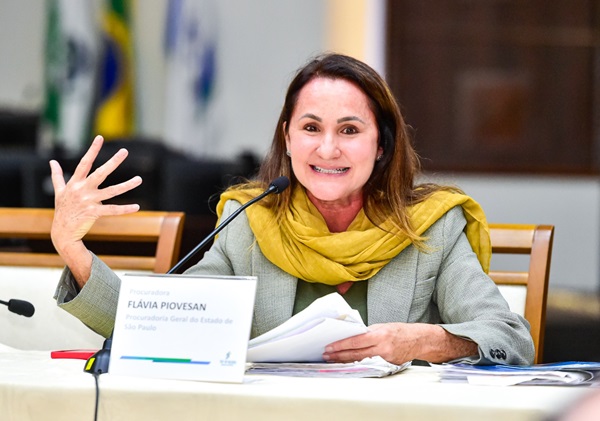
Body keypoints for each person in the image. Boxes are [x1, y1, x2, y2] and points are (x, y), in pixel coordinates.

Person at [51, 53, 534, 366]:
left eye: (349, 130)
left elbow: (509, 339)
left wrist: (426, 342)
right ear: (288, 137)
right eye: (310, 128)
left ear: (381, 145)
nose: (327, 150)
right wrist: (72, 248)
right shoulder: (249, 220)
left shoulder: (433, 226)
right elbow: (165, 322)